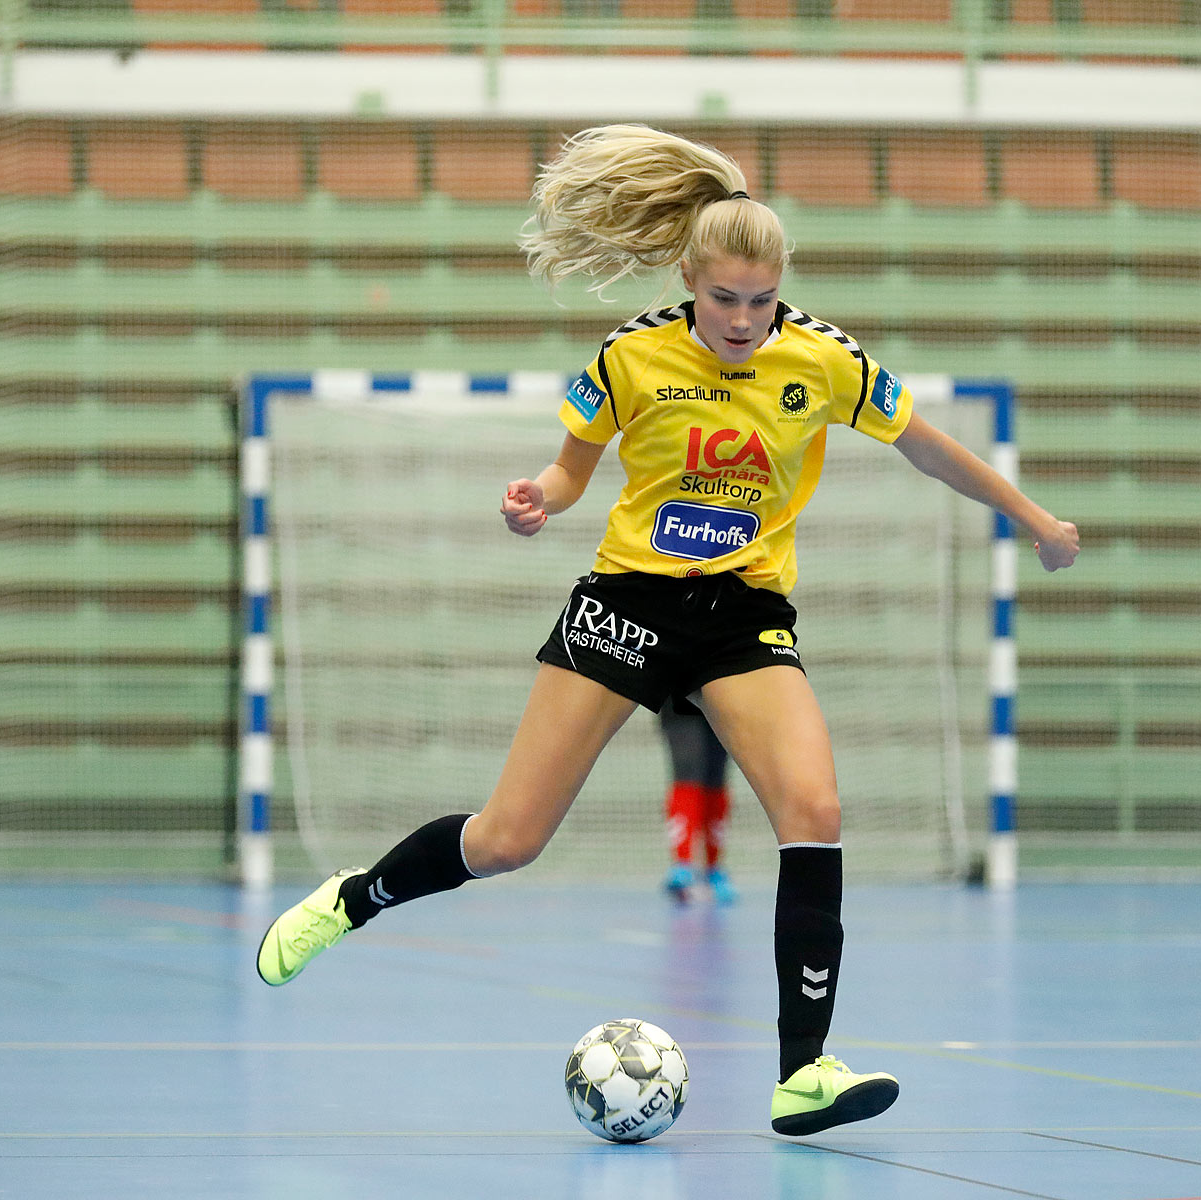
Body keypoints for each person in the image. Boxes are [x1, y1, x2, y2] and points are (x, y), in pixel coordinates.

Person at [255, 123, 1080, 1137]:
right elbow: (570, 469)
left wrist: (1035, 520)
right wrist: (538, 500)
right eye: (723, 298)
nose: (741, 319)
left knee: (814, 809)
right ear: (692, 278)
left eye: (759, 300)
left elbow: (931, 450)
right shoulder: (632, 356)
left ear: (781, 288)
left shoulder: (824, 361)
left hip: (743, 618)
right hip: (627, 606)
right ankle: (354, 898)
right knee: (507, 840)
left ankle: (803, 1072)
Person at [660, 704, 736, 905]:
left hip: (723, 690)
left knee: (716, 778)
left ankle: (713, 869)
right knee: (687, 771)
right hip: (678, 693)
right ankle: (682, 866)